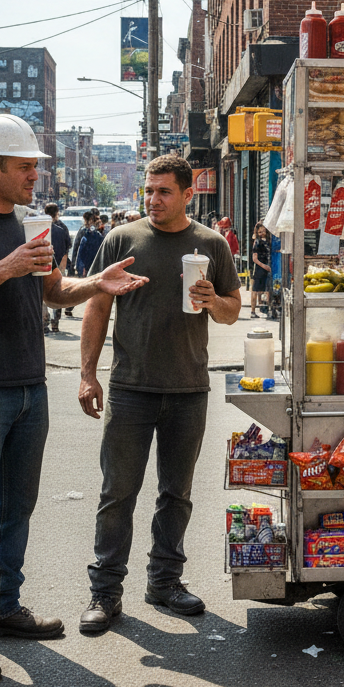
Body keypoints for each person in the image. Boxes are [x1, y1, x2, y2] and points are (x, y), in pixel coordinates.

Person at [0, 114, 145, 681]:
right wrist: (6, 266)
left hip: (29, 387)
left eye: (35, 168)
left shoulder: (29, 225)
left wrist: (97, 284)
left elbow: (52, 290)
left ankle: (0, 607)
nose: (34, 178)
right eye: (24, 168)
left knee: (15, 508)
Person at [77, 154, 241, 633]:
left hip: (189, 387)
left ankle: (164, 581)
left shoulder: (210, 245)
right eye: (149, 190)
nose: (153, 199)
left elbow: (232, 309)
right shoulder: (122, 240)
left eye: (164, 191)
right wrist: (88, 374)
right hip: (131, 387)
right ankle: (105, 594)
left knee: (177, 493)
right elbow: (96, 308)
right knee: (117, 493)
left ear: (189, 194)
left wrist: (215, 302)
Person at [46, 202, 72, 333]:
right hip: (59, 265)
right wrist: (63, 267)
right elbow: (67, 249)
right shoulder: (62, 229)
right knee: (57, 292)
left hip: (41, 265)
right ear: (57, 213)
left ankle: (44, 320)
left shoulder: (38, 228)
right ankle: (54, 322)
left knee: (42, 293)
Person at [249, 222, 272, 319]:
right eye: (259, 232)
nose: (262, 233)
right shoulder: (257, 242)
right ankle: (253, 311)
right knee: (255, 290)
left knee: (268, 290)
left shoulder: (268, 241)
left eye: (263, 231)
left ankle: (268, 309)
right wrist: (264, 266)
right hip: (259, 269)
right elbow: (254, 258)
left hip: (267, 268)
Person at [76, 211, 104, 278]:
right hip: (94, 263)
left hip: (87, 263)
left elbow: (78, 249)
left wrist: (77, 265)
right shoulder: (95, 233)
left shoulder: (84, 232)